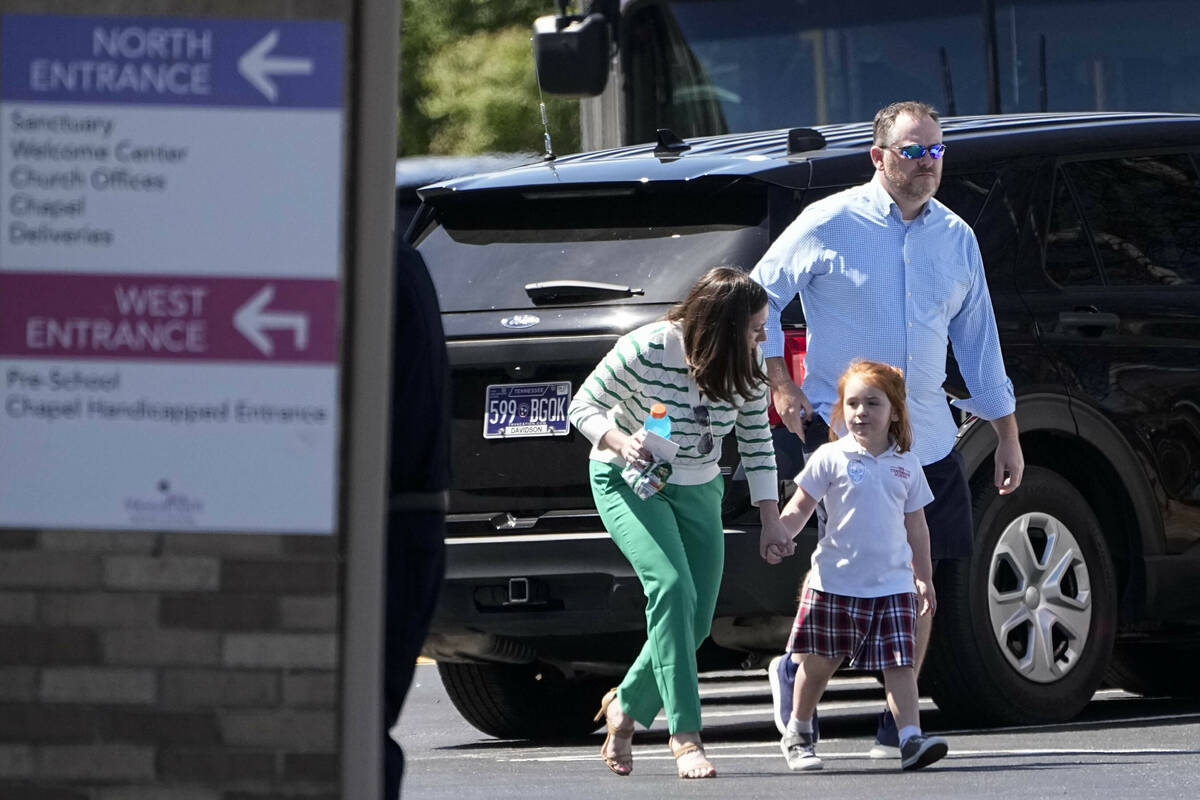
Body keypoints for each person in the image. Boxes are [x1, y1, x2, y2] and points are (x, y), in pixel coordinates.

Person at [751, 100, 1025, 756]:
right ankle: (797, 671)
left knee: (923, 585)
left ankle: (898, 726)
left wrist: (1008, 433)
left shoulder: (956, 236)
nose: (927, 163)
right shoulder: (827, 222)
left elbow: (979, 343)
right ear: (879, 156)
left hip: (927, 439)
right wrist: (780, 383)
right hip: (842, 440)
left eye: (935, 151)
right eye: (912, 151)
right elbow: (756, 299)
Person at [567, 266, 791, 779]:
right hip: (628, 480)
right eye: (755, 327)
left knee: (694, 619)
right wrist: (619, 442)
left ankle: (625, 704)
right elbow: (584, 404)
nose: (763, 337)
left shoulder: (748, 363)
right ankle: (685, 736)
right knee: (670, 588)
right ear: (722, 326)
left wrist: (771, 518)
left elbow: (757, 442)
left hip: (700, 486)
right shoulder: (646, 348)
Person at [766, 360, 948, 772]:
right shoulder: (830, 457)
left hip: (893, 586)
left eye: (873, 403)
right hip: (835, 583)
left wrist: (924, 577)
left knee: (900, 666)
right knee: (818, 665)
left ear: (895, 412)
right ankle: (798, 730)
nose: (861, 412)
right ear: (841, 410)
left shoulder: (907, 465)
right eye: (852, 403)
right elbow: (799, 509)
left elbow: (917, 527)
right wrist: (781, 535)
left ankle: (909, 739)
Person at [384, 242, 450, 799]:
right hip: (414, 514)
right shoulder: (402, 262)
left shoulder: (376, 266)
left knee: (356, 727)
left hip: (388, 520)